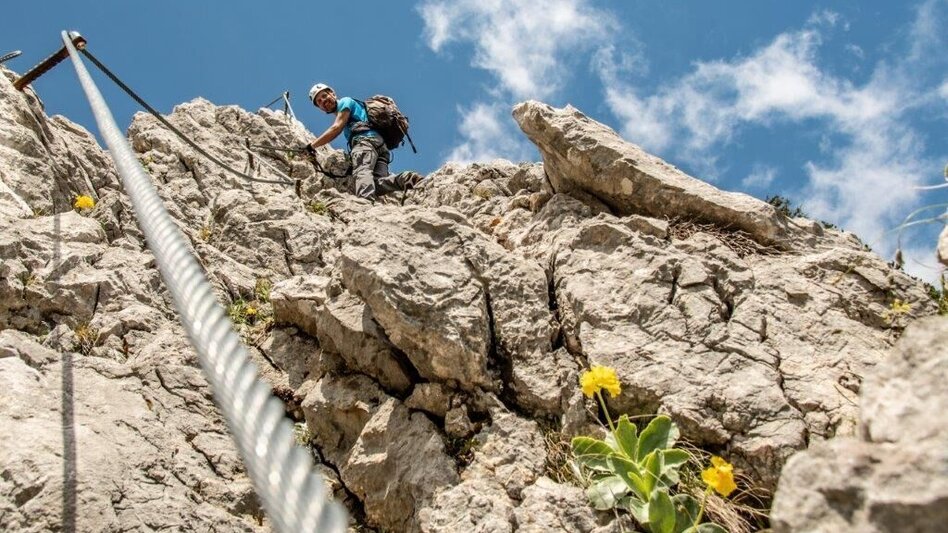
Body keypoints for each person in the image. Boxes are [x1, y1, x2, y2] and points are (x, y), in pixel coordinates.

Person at [306, 83, 422, 201]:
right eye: (319, 102)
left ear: (333, 93)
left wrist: (312, 146)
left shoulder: (345, 102)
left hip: (365, 143)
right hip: (381, 147)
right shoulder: (353, 112)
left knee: (362, 173)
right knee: (375, 184)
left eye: (324, 96)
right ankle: (405, 179)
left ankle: (364, 204)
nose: (323, 101)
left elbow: (336, 128)